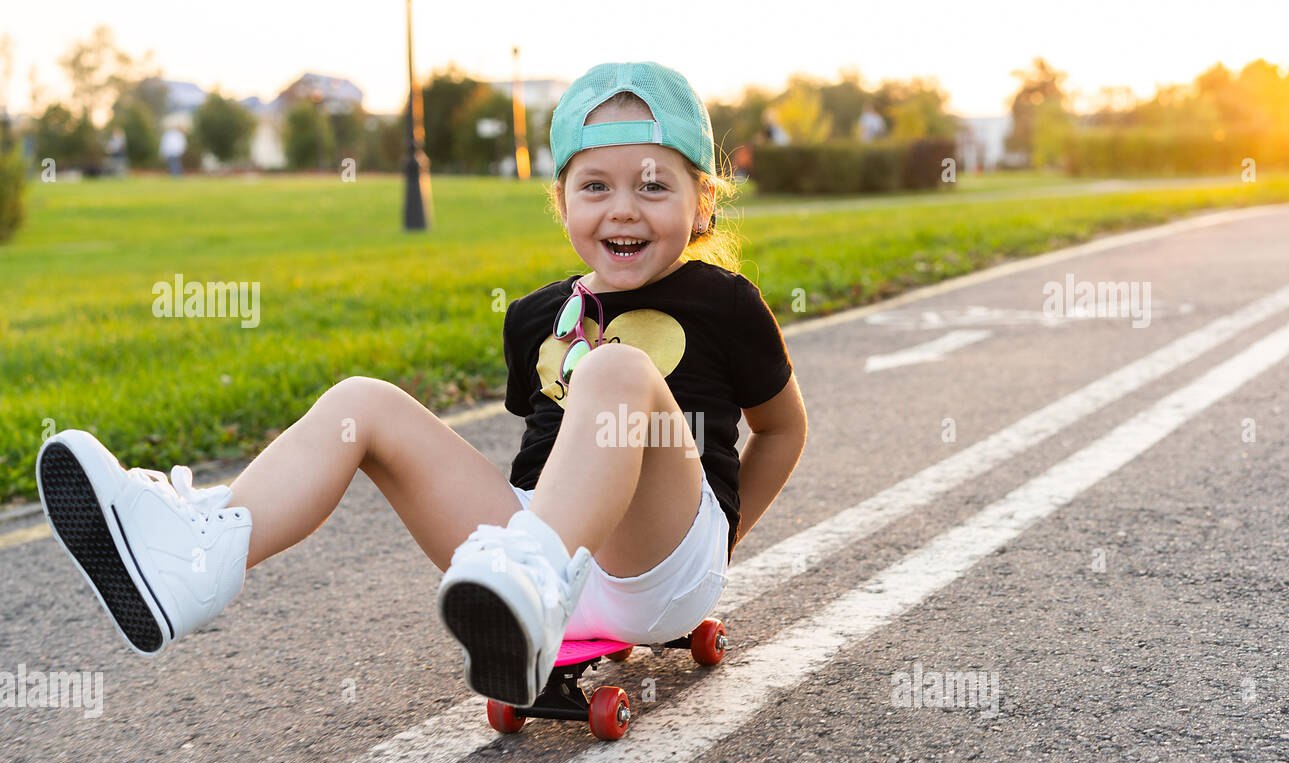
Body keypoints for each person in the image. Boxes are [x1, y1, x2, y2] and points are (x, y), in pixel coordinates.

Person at [34, 61, 807, 710]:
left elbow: (782, 429)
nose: (623, 208)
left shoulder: (723, 301)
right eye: (595, 187)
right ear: (563, 203)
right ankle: (193, 560)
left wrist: (718, 546)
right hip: (545, 548)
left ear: (703, 201)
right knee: (362, 402)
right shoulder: (539, 313)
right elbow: (540, 453)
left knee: (616, 368)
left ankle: (534, 581)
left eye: (653, 185)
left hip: (658, 559)